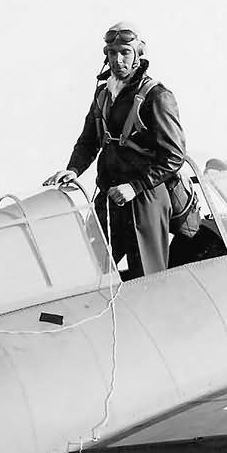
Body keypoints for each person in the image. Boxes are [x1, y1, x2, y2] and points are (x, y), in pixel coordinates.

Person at [44, 22, 187, 278]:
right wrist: (73, 169)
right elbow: (88, 140)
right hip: (110, 196)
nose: (117, 59)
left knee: (149, 278)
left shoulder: (157, 96)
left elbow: (174, 156)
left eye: (125, 52)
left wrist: (136, 186)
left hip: (146, 199)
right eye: (112, 53)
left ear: (138, 54)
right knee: (86, 270)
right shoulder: (103, 94)